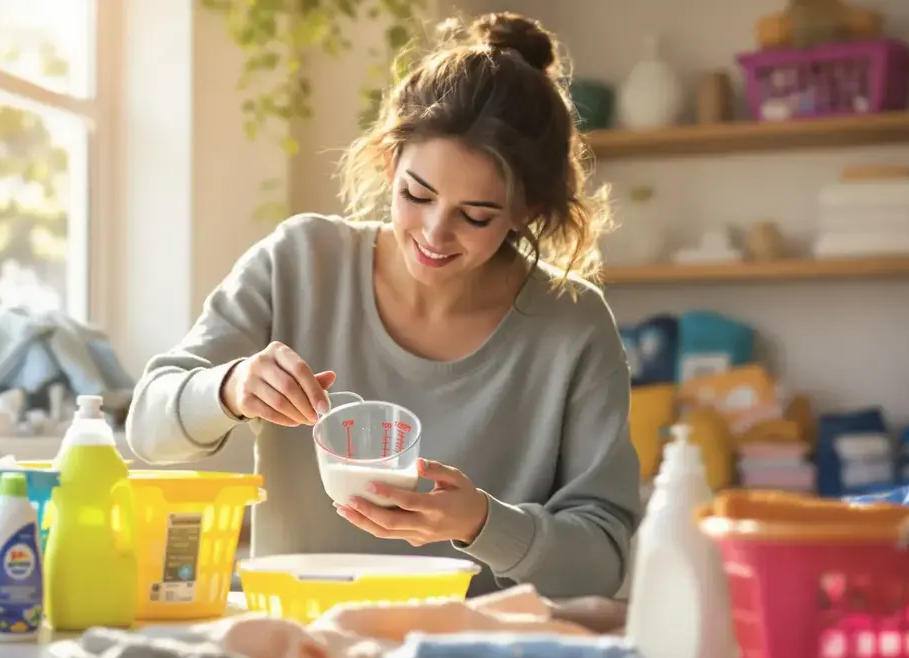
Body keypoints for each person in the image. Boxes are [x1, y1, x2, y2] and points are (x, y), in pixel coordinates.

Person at [127, 11, 640, 599]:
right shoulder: (301, 261)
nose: (434, 233)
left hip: (468, 654)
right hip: (302, 642)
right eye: (416, 195)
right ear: (391, 162)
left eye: (476, 216)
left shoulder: (572, 325)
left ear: (525, 212)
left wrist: (483, 523)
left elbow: (602, 560)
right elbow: (148, 429)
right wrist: (231, 387)